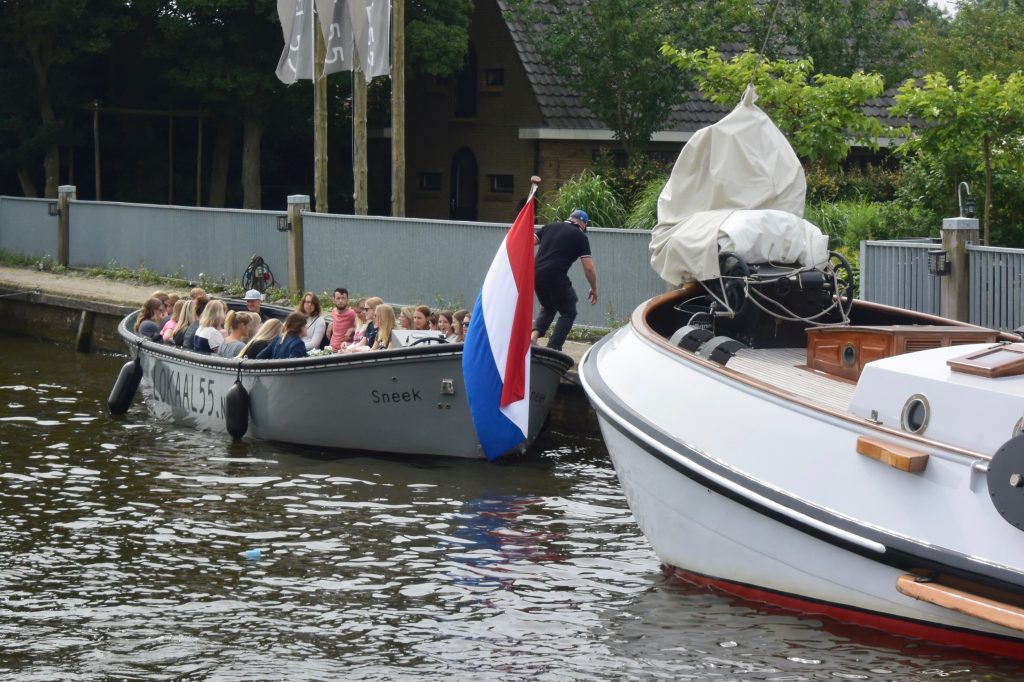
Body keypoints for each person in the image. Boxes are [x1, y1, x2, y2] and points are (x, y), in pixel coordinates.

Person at [531, 208, 598, 351]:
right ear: (583, 224)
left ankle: (533, 337)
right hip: (555, 276)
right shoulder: (580, 236)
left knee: (549, 307)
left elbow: (528, 243)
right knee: (569, 311)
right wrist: (594, 288)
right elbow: (589, 268)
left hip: (535, 275)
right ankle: (553, 348)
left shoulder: (549, 227)